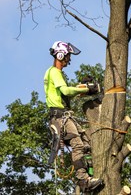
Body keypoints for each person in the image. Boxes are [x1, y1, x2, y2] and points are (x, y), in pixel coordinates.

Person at [44, 41, 103, 192]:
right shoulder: (54, 72)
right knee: (77, 144)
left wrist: (83, 88)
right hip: (60, 117)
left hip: (64, 116)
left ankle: (90, 175)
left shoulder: (57, 74)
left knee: (86, 142)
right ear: (61, 54)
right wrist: (81, 89)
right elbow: (66, 91)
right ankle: (83, 180)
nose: (69, 60)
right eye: (68, 56)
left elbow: (68, 92)